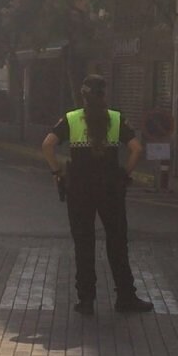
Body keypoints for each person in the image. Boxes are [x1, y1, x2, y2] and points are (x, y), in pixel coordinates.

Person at [42, 74, 154, 315]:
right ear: (105, 95)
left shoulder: (71, 119)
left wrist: (57, 173)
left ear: (83, 95)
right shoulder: (116, 118)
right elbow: (136, 149)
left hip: (79, 191)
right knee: (117, 243)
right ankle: (125, 298)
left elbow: (47, 145)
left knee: (84, 244)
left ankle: (86, 301)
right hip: (110, 190)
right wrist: (124, 174)